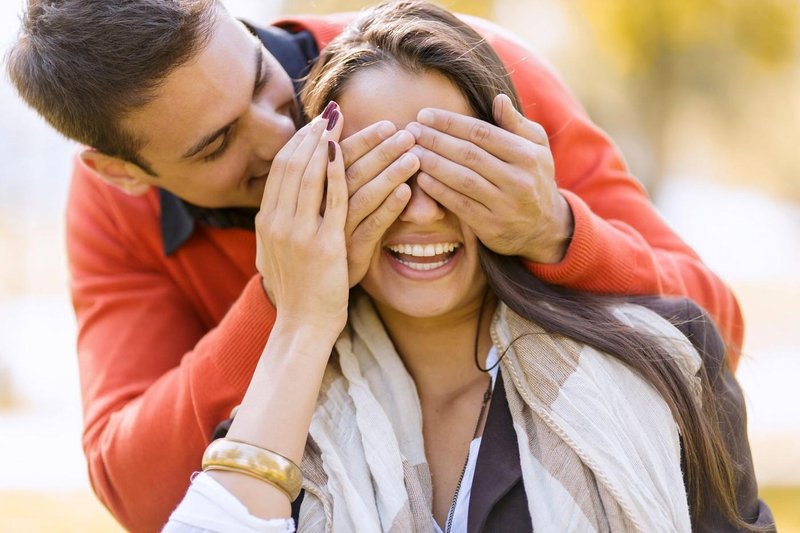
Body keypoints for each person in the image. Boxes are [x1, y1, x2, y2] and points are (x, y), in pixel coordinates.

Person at [5, 0, 745, 530]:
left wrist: (554, 229)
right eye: (216, 145)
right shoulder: (114, 212)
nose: (280, 133)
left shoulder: (449, 69)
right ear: (124, 171)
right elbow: (137, 494)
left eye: (263, 80)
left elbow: (714, 333)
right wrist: (287, 295)